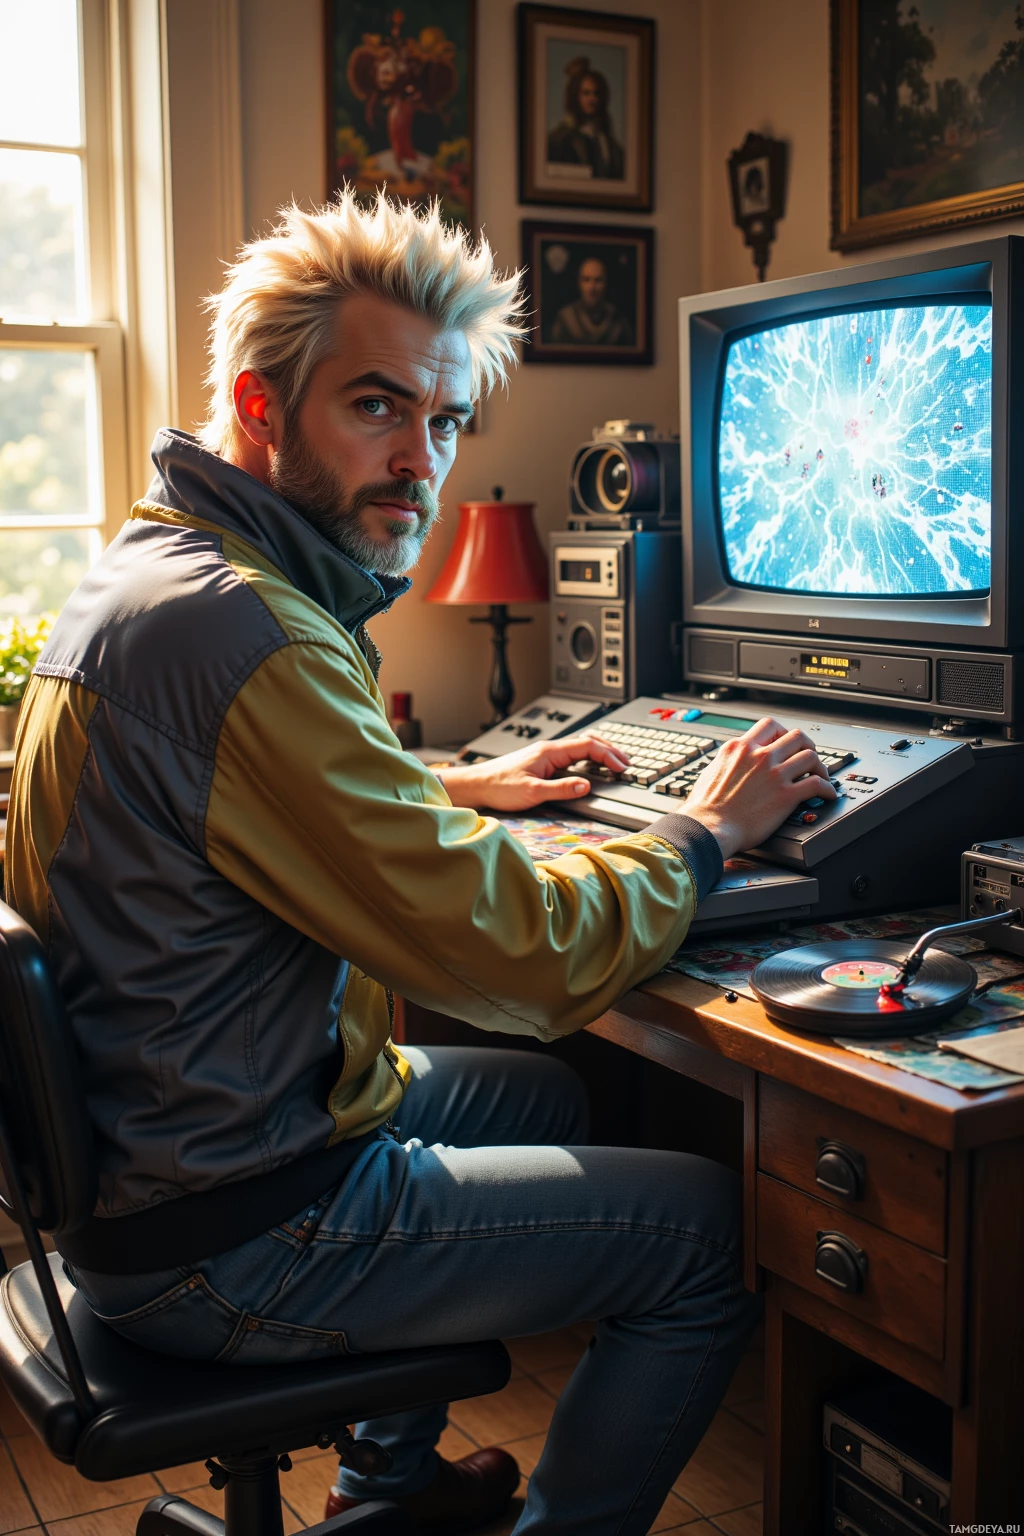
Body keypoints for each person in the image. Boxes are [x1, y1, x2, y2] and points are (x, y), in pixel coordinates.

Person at [4, 192, 835, 1535]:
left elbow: (225, 793)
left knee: (538, 1100)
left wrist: (450, 783)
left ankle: (387, 1492)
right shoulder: (252, 639)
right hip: (232, 1238)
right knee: (708, 1235)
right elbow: (515, 953)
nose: (421, 461)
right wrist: (706, 833)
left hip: (152, 1177)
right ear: (257, 402)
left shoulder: (157, 578)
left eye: (443, 422)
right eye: (378, 406)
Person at [546, 56, 624, 180]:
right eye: (586, 93)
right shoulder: (559, 140)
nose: (592, 99)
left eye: (596, 93)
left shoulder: (609, 143)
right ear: (576, 96)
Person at [550, 255, 634, 347]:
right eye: (586, 280)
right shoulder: (565, 318)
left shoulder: (618, 321)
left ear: (606, 283)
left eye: (598, 280)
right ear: (579, 283)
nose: (592, 287)